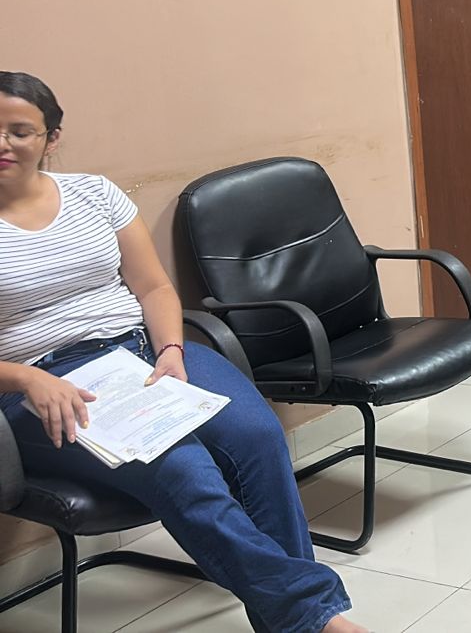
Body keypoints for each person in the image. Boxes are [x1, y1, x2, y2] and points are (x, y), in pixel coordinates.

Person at [0, 72, 367, 633]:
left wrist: (171, 349)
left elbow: (153, 288)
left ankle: (294, 621)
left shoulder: (94, 194)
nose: (2, 143)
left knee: (257, 437)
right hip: (45, 383)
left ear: (52, 138)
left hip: (142, 353)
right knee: (182, 469)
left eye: (20, 131)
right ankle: (316, 621)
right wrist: (28, 380)